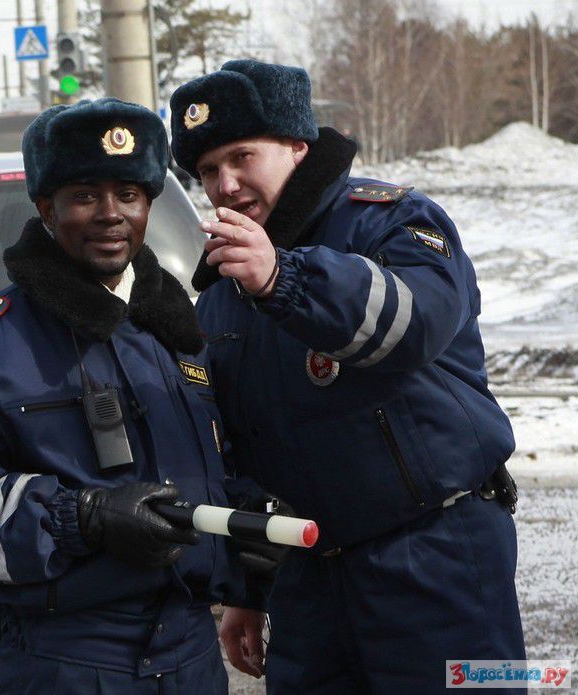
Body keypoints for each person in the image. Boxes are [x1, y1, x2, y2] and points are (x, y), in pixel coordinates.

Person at [169, 59, 526, 694]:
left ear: (297, 148)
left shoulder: (391, 221)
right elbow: (239, 450)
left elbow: (414, 326)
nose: (225, 185)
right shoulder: (224, 288)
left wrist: (285, 280)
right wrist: (247, 588)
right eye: (207, 172)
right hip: (308, 571)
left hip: (435, 553)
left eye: (241, 157)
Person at [0, 98, 250, 694]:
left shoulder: (179, 335)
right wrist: (81, 519)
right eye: (86, 196)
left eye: (130, 195)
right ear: (46, 208)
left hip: (191, 651)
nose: (111, 215)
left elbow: (226, 466)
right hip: (66, 659)